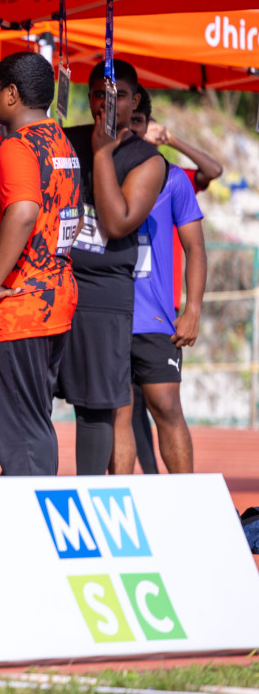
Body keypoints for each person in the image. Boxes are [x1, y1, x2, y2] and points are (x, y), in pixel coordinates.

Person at [0, 51, 80, 475]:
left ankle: (33, 530)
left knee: (20, 435)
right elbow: (73, 213)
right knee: (33, 424)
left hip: (17, 309)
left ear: (10, 94)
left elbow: (25, 211)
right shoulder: (61, 141)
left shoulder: (18, 145)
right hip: (50, 300)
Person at [62, 60, 166, 475]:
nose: (107, 103)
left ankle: (88, 493)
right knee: (31, 398)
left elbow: (117, 222)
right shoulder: (64, 140)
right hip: (50, 284)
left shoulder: (148, 160)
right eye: (98, 94)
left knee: (96, 406)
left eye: (118, 95)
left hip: (104, 296)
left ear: (135, 100)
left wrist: (102, 152)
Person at [124, 90, 203, 475]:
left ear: (149, 126)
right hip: (107, 315)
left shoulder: (173, 178)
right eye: (127, 121)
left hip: (155, 319)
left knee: (167, 408)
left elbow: (196, 248)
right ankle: (118, 503)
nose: (132, 129)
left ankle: (186, 501)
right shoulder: (98, 170)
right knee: (116, 415)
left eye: (139, 122)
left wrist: (193, 310)